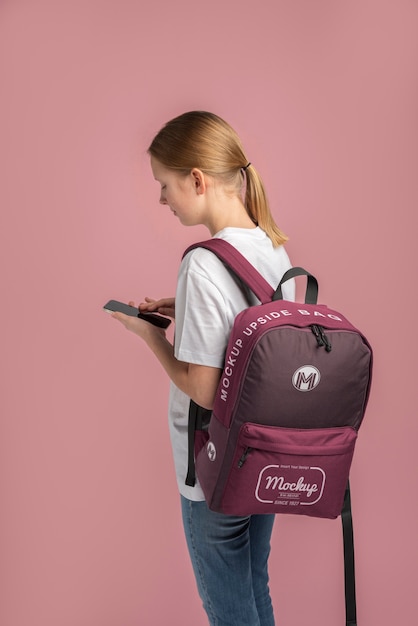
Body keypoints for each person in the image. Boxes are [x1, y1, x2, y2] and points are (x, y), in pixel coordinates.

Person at [111, 111, 294, 626]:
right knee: (255, 589)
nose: (162, 200)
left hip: (211, 470)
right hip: (262, 457)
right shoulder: (273, 248)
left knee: (231, 612)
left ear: (196, 179)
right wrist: (183, 306)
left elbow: (207, 389)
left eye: (165, 185)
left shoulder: (204, 263)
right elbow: (253, 337)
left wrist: (151, 336)